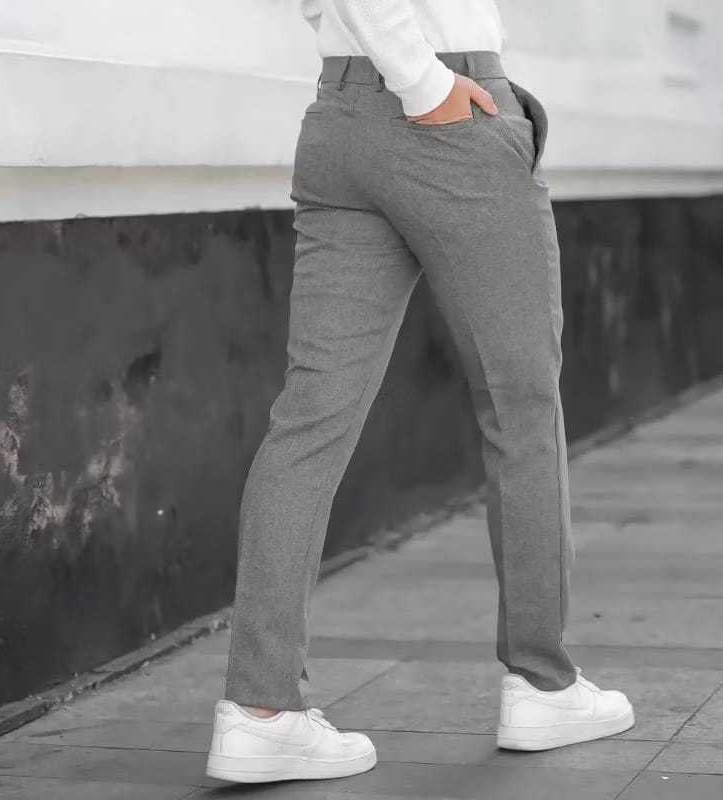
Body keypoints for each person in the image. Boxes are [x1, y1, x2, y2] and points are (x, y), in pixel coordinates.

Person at [206, 0, 634, 784]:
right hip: (444, 111)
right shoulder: (431, 88)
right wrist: (424, 81)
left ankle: (260, 709)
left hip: (339, 116)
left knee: (309, 419)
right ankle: (544, 684)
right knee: (521, 407)